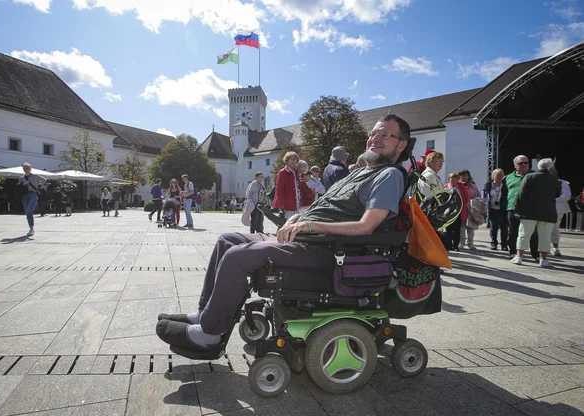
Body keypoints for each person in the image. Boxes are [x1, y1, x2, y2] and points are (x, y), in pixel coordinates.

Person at [156, 114, 410, 353]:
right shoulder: (361, 173)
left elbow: (367, 226)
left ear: (401, 145)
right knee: (227, 240)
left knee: (237, 256)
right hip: (306, 239)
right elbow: (328, 208)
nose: (376, 138)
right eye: (374, 132)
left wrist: (309, 226)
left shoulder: (388, 176)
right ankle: (206, 314)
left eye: (386, 135)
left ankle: (209, 335)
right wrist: (301, 217)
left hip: (329, 250)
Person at [511, 158, 561, 268]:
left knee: (524, 234)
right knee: (545, 237)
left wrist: (518, 209)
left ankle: (519, 257)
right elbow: (558, 194)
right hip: (547, 212)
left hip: (529, 212)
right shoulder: (554, 178)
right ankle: (543, 259)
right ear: (550, 167)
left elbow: (521, 195)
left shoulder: (529, 176)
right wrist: (555, 175)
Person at [505, 155, 539, 261]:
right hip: (512, 208)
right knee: (513, 232)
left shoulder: (535, 176)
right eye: (520, 163)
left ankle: (535, 254)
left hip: (530, 209)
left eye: (526, 163)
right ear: (515, 165)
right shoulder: (508, 178)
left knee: (533, 233)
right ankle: (513, 252)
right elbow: (504, 193)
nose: (524, 165)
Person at [483, 168, 508, 251]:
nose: (500, 177)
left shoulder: (505, 186)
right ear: (494, 176)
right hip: (492, 209)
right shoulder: (489, 185)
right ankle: (494, 243)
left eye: (501, 175)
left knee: (504, 228)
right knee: (494, 228)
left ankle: (504, 244)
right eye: (498, 175)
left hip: (503, 209)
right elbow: (485, 197)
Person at [272, 151, 302, 218]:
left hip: (296, 203)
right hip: (287, 204)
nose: (293, 161)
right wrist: (282, 206)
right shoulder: (283, 172)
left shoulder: (296, 172)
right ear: (287, 160)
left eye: (295, 159)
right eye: (291, 159)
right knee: (287, 224)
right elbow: (279, 191)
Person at [18, 162, 44, 237]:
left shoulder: (35, 176)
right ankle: (31, 227)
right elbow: (18, 188)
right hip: (25, 196)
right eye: (24, 168)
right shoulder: (21, 178)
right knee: (27, 213)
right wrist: (23, 184)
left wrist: (38, 186)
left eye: (27, 168)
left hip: (33, 194)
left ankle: (31, 229)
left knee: (29, 211)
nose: (26, 170)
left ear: (30, 169)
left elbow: (44, 180)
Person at [458, 169, 481, 250]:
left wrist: (474, 201)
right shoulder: (458, 185)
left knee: (471, 227)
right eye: (462, 176)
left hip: (471, 209)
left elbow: (478, 195)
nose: (463, 177)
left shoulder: (473, 186)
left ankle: (470, 243)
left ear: (468, 176)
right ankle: (461, 242)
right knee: (462, 226)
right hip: (462, 208)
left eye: (465, 175)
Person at [550, 167, 571, 257]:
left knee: (555, 228)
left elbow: (567, 195)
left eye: (553, 172)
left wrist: (553, 199)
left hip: (558, 210)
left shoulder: (562, 183)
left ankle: (555, 248)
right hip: (543, 209)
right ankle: (543, 248)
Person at [444, 173, 468, 251]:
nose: (453, 180)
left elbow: (466, 198)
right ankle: (448, 245)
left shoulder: (462, 188)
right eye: (452, 178)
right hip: (448, 212)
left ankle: (456, 245)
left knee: (457, 229)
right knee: (448, 229)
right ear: (449, 179)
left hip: (458, 212)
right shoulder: (445, 188)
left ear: (458, 180)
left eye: (455, 178)